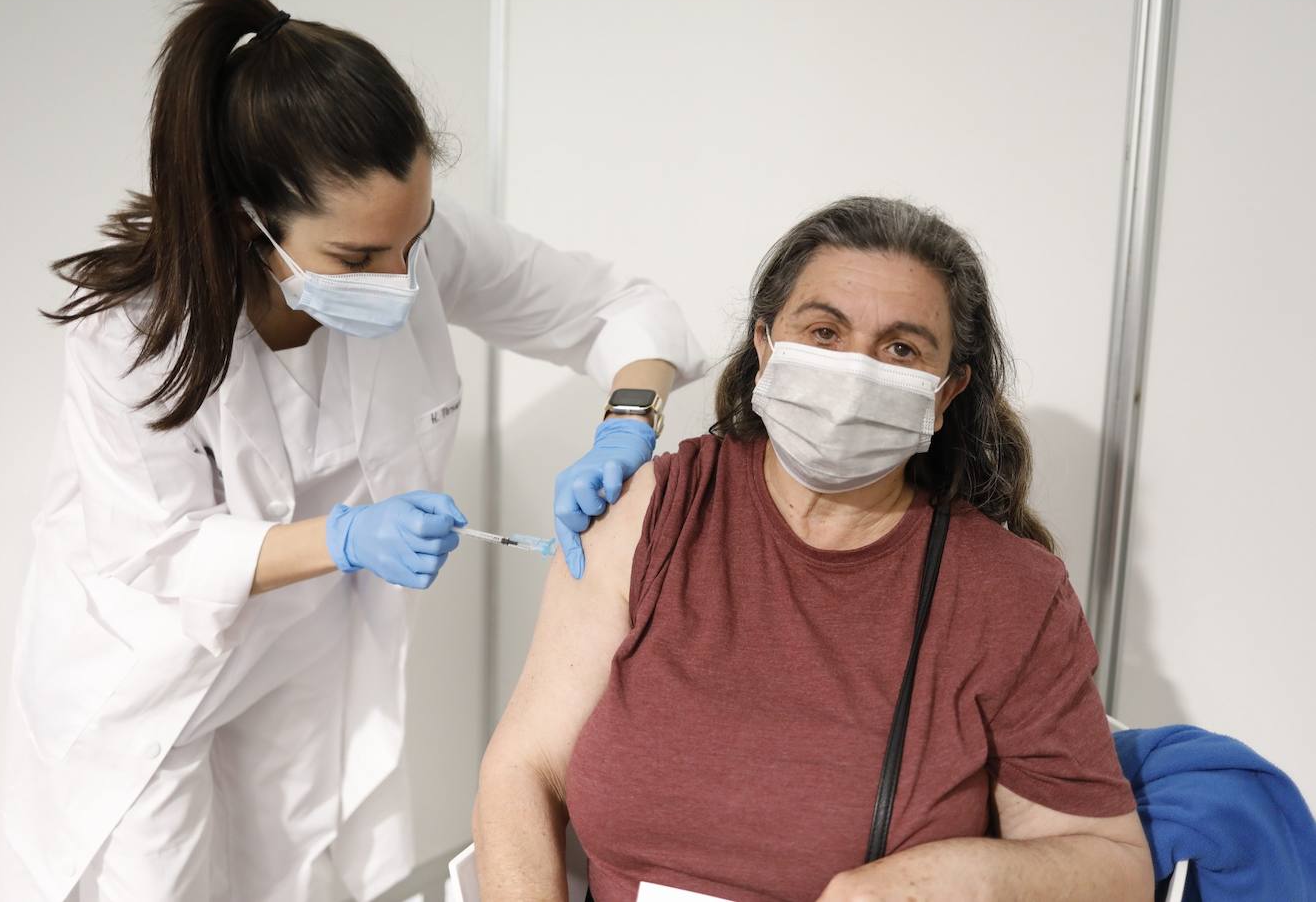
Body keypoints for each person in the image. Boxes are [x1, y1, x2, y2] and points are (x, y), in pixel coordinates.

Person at [3, 0, 704, 900]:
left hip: (299, 663)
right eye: (356, 259)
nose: (403, 279)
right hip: (147, 673)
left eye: (412, 240)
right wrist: (345, 538)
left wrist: (626, 422)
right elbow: (157, 548)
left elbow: (620, 309)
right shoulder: (129, 337)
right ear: (245, 222)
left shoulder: (408, 242)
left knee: (291, 877)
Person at [474, 196, 1154, 900]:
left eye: (900, 348)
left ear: (945, 392)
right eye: (825, 331)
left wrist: (960, 877)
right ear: (767, 346)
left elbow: (1112, 868)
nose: (854, 371)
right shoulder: (659, 509)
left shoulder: (1007, 594)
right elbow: (523, 769)